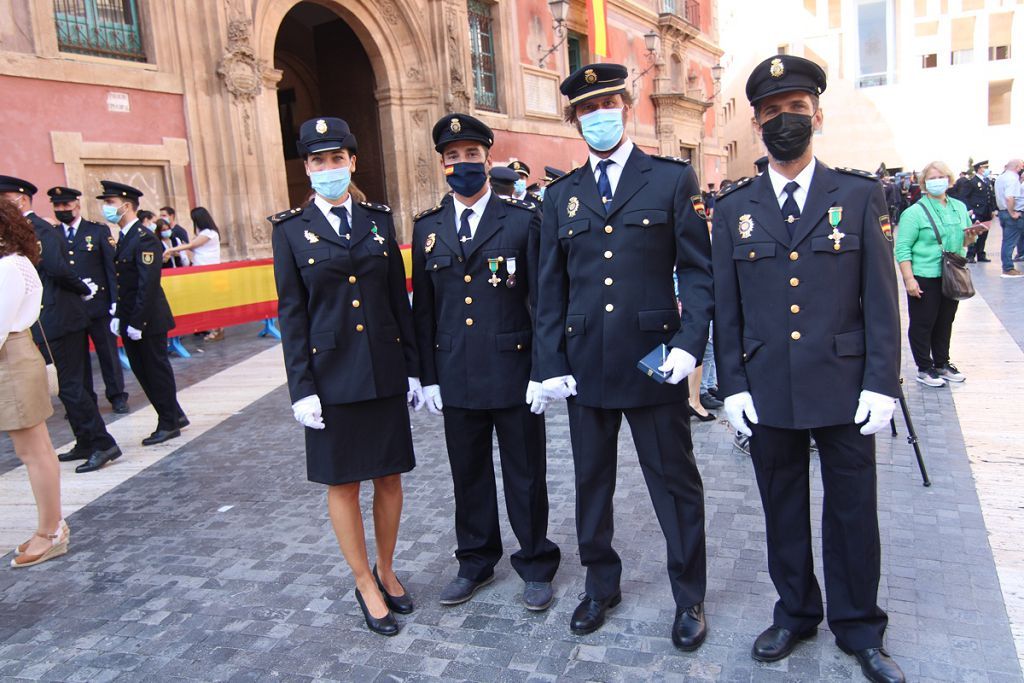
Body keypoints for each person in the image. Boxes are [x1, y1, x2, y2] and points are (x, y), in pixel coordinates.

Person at [712, 55, 904, 683]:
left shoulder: (856, 194)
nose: (785, 122)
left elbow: (880, 299)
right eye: (772, 113)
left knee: (852, 511)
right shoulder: (733, 208)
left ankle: (858, 625)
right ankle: (795, 611)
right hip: (768, 388)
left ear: (818, 114)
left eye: (796, 110)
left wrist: (882, 383)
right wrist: (733, 386)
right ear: (756, 123)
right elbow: (727, 305)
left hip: (846, 387)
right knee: (782, 508)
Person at [535, 63, 714, 650]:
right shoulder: (560, 197)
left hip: (653, 359)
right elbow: (549, 289)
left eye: (607, 103)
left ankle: (689, 596)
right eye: (586, 109)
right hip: (586, 364)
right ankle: (599, 584)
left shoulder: (669, 179)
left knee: (674, 482)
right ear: (574, 120)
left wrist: (689, 348)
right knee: (591, 482)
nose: (597, 115)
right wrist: (549, 364)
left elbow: (697, 269)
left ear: (627, 105)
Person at [271, 116, 421, 637]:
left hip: (382, 368)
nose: (328, 168)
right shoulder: (289, 231)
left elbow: (396, 300)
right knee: (343, 482)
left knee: (388, 476)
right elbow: (292, 315)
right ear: (307, 169)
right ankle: (362, 581)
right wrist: (301, 388)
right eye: (318, 161)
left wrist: (415, 369)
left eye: (337, 159)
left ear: (352, 162)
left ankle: (386, 566)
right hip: (330, 377)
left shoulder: (379, 220)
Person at [412, 113, 560, 612]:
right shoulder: (428, 229)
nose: (463, 165)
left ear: (487, 159)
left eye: (471, 155)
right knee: (468, 474)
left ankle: (536, 562)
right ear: (442, 166)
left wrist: (544, 369)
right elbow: (424, 310)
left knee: (525, 474)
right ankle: (475, 560)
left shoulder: (521, 221)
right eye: (453, 158)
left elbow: (540, 302)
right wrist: (426, 377)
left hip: (514, 372)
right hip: (456, 375)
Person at [0, 176, 122, 474]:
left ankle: (101, 442)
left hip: (59, 318)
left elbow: (56, 268)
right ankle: (85, 440)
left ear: (19, 199)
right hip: (52, 318)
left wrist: (83, 289)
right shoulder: (36, 228)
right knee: (71, 385)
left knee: (71, 385)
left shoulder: (37, 229)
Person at [0, 198, 71, 568]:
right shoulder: (11, 263)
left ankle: (51, 531)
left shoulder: (9, 266)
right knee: (36, 450)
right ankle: (49, 525)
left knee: (34, 452)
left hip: (9, 358)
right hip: (11, 356)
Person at [98, 180, 188, 446]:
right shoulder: (126, 237)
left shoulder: (144, 237)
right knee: (143, 371)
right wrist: (118, 314)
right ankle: (175, 414)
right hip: (130, 317)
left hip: (147, 319)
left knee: (154, 371)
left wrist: (137, 321)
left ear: (126, 206)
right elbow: (123, 280)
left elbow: (147, 283)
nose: (106, 208)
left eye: (110, 203)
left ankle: (168, 422)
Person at [894, 161, 977, 388]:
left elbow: (966, 239)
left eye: (940, 176)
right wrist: (908, 279)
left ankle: (942, 363)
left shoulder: (959, 207)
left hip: (952, 274)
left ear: (949, 180)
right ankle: (924, 367)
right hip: (924, 274)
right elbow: (902, 248)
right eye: (931, 178)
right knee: (923, 322)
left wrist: (972, 236)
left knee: (945, 321)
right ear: (923, 183)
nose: (936, 181)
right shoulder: (914, 213)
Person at [47, 186, 129, 414]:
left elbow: (110, 268)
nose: (62, 209)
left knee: (108, 354)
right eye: (57, 206)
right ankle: (85, 400)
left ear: (77, 205)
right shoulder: (52, 234)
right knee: (76, 359)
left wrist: (115, 300)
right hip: (70, 309)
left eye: (66, 205)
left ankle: (117, 395)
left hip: (98, 305)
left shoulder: (97, 231)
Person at [164, 207, 224, 339]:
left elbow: (192, 245)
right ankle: (212, 328)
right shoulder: (205, 233)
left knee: (211, 301)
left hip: (208, 271)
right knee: (206, 300)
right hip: (202, 270)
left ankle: (217, 330)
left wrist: (171, 249)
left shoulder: (209, 233)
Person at [959, 160, 996, 263]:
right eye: (985, 167)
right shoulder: (972, 182)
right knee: (974, 233)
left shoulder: (987, 181)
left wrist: (992, 209)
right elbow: (964, 196)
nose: (987, 170)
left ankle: (981, 254)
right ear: (979, 169)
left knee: (984, 234)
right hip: (977, 211)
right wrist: (970, 209)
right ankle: (970, 255)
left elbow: (990, 196)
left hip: (986, 211)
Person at [993, 159, 1024, 278]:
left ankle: (1007, 266)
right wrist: (1013, 213)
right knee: (1009, 242)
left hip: (1002, 212)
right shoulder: (1012, 179)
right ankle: (1008, 268)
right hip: (1011, 213)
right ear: (1017, 167)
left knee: (1007, 241)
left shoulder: (1001, 177)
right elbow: (1009, 198)